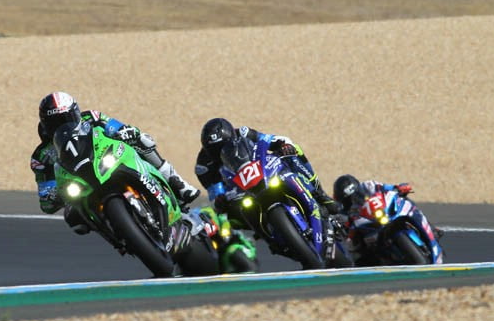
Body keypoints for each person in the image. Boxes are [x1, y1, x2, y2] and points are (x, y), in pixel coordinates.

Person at [30, 91, 200, 229]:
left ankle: (176, 181)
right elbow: (46, 199)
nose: (63, 125)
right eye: (55, 123)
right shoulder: (41, 157)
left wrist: (126, 132)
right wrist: (53, 194)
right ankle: (116, 234)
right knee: (73, 219)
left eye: (66, 119)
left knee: (142, 140)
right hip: (80, 185)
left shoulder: (91, 117)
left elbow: (117, 127)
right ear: (45, 124)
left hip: (103, 161)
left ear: (75, 113)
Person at [194, 117, 340, 216]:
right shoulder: (203, 166)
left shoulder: (243, 133)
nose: (223, 151)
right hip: (239, 191)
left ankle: (320, 193)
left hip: (264, 172)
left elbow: (270, 139)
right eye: (216, 150)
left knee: (295, 150)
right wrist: (219, 201)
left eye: (225, 146)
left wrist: (284, 146)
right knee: (233, 219)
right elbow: (215, 194)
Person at [332, 174, 444, 264]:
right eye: (348, 200)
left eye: (354, 196)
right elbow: (345, 231)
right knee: (356, 253)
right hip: (369, 231)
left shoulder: (368, 186)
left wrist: (398, 188)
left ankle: (431, 229)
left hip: (381, 214)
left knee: (405, 202)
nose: (352, 201)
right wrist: (347, 228)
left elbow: (385, 188)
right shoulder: (342, 211)